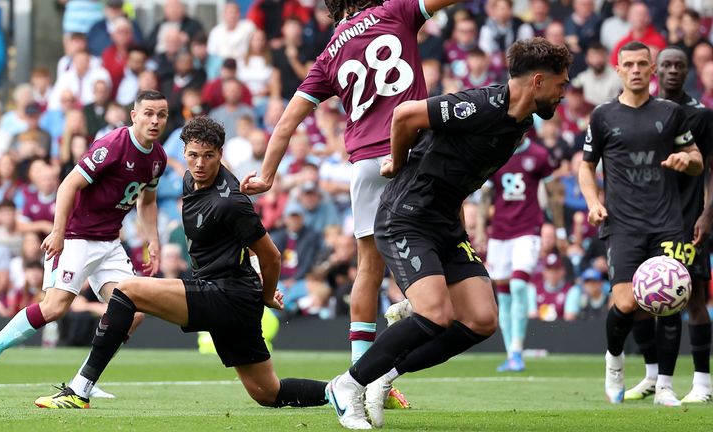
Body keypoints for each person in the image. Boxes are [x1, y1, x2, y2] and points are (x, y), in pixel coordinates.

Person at [324, 37, 571, 430]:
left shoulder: (522, 121)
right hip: (407, 216)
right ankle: (348, 385)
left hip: (445, 225)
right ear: (538, 81)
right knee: (436, 314)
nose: (564, 93)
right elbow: (405, 115)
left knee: (481, 319)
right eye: (561, 84)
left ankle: (385, 375)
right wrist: (396, 163)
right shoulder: (481, 105)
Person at [241, 0, 468, 410]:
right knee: (450, 235)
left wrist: (268, 176)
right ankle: (416, 307)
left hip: (366, 164)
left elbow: (287, 122)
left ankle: (360, 377)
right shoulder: (396, 12)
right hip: (416, 151)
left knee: (369, 266)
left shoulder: (328, 55)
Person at [33, 116, 329, 411]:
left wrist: (267, 294)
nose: (200, 163)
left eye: (208, 156)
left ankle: (79, 390)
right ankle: (340, 389)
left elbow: (271, 255)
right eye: (193, 155)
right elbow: (241, 243)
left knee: (127, 290)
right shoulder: (191, 180)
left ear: (220, 154)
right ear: (184, 152)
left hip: (225, 294)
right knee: (268, 393)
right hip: (232, 298)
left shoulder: (231, 202)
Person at [0, 90, 169, 398]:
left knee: (134, 311)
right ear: (134, 115)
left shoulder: (158, 158)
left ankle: (84, 380)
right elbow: (68, 184)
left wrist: (152, 239)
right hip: (76, 236)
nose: (155, 120)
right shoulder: (113, 145)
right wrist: (58, 232)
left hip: (109, 242)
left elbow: (148, 200)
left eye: (161, 115)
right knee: (55, 307)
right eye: (149, 113)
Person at [579, 41, 703, 407]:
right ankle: (615, 360)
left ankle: (665, 386)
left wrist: (686, 160)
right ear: (618, 70)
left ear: (652, 70)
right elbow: (586, 166)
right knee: (627, 303)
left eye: (641, 64)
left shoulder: (671, 112)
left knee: (672, 300)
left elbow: (697, 158)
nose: (635, 69)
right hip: (623, 225)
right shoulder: (602, 115)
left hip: (667, 223)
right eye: (629, 64)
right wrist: (593, 202)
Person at [624, 47, 713, 404]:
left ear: (688, 71)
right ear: (655, 70)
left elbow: (711, 169)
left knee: (692, 299)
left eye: (679, 65)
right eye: (666, 65)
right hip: (645, 219)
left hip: (688, 219)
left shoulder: (701, 115)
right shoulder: (642, 111)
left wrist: (708, 214)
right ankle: (652, 376)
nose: (673, 70)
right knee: (640, 298)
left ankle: (703, 383)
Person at [475, 136, 562, 372]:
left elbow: (554, 193)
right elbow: (486, 196)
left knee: (519, 285)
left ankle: (517, 349)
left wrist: (559, 230)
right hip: (500, 234)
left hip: (528, 231)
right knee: (503, 295)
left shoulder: (539, 155)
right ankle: (511, 355)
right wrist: (481, 230)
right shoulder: (496, 153)